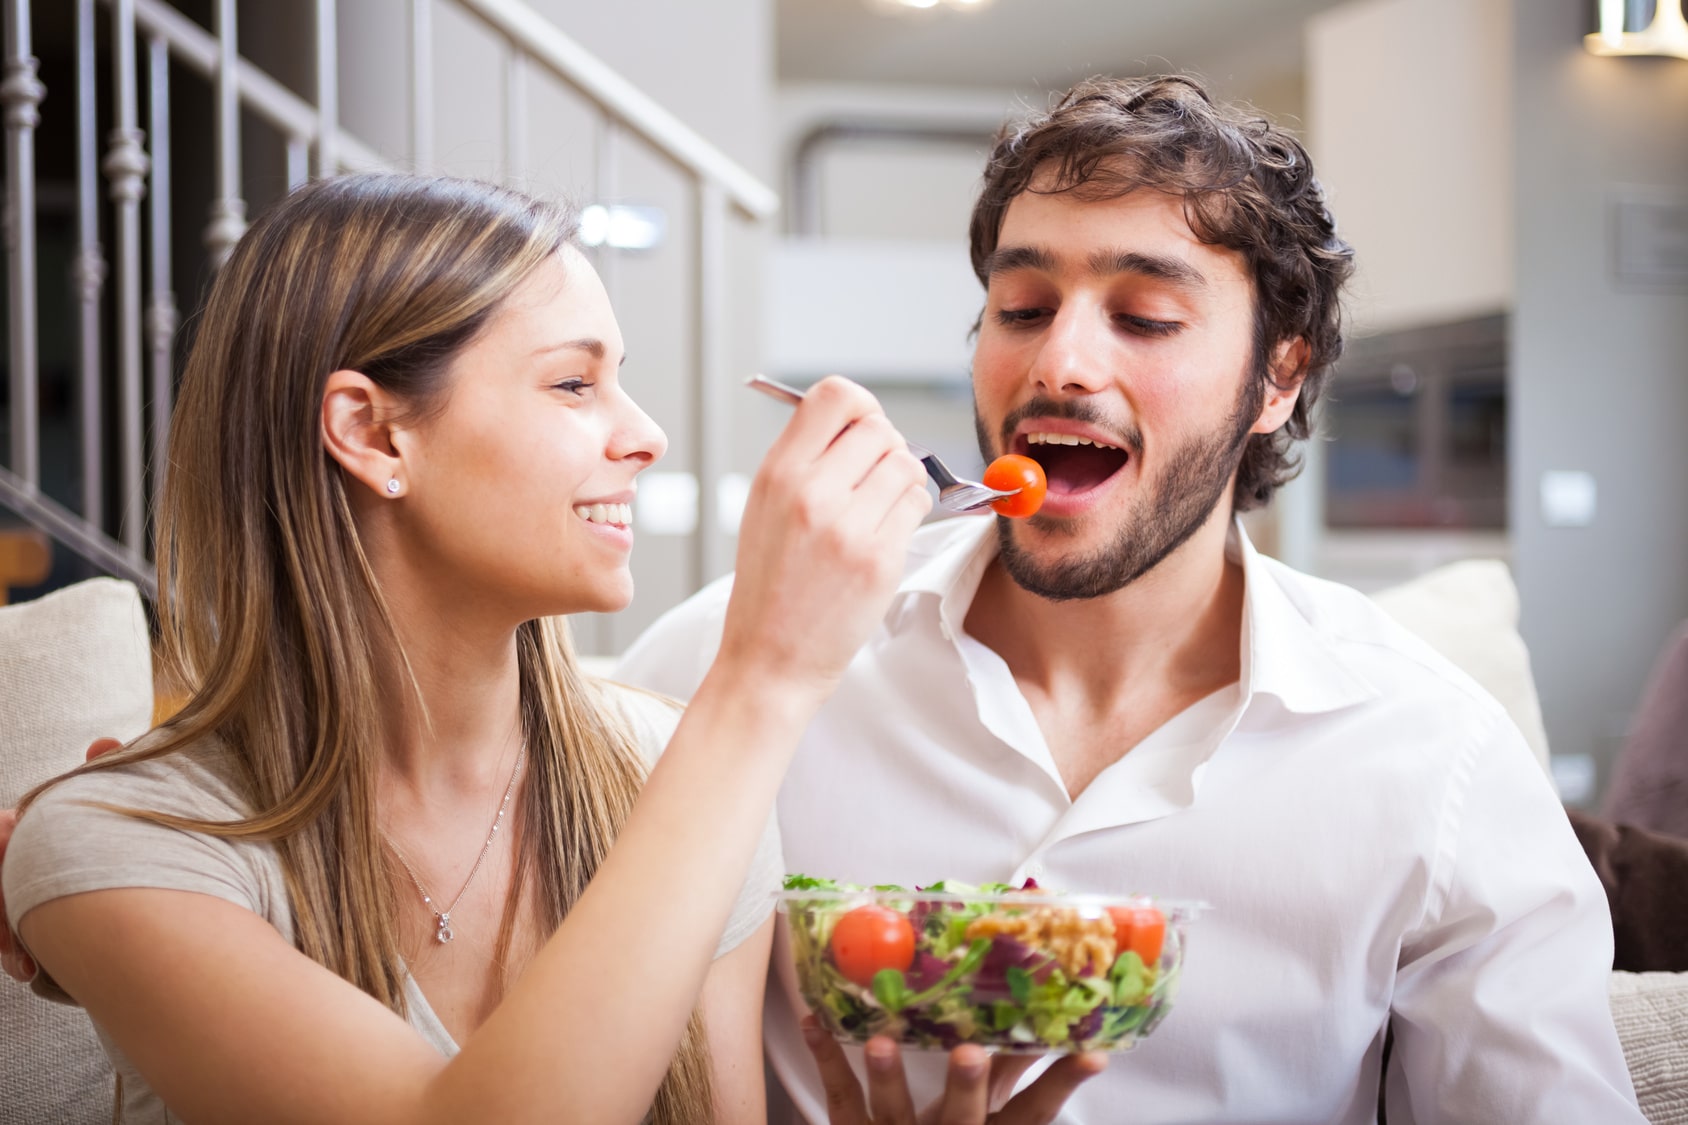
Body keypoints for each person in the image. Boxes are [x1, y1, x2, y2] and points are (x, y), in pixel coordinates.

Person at [616, 75, 1646, 1123]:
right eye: (1020, 308)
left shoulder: (1434, 761)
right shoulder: (724, 667)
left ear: (1276, 379)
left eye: (1145, 317)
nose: (1058, 358)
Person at [0, 173, 1102, 1124]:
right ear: (373, 433)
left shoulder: (663, 774)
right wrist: (764, 675)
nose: (646, 433)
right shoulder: (118, 840)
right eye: (575, 382)